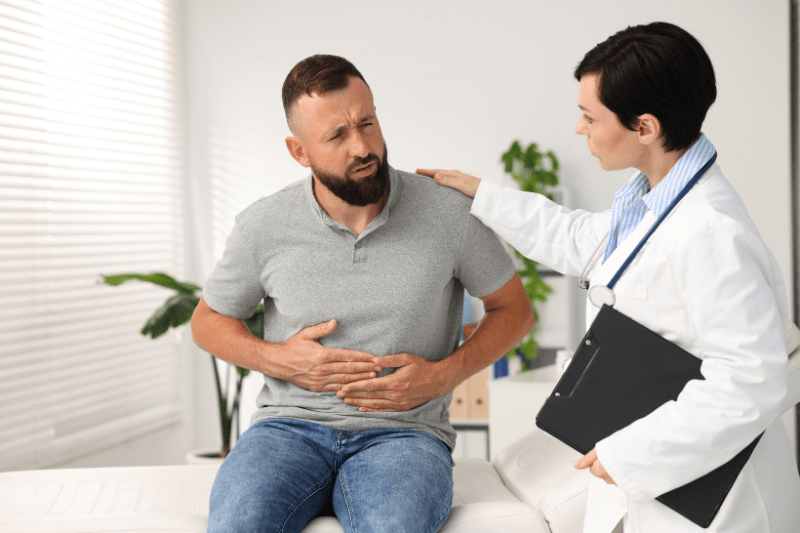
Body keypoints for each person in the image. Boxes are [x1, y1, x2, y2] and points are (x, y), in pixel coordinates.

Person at [420, 22, 800, 533]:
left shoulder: (710, 233)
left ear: (644, 127)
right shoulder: (654, 201)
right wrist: (484, 196)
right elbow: (583, 240)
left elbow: (753, 380)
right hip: (651, 478)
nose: (580, 129)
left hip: (716, 500)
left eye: (589, 116)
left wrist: (632, 454)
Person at [190, 54, 535, 533]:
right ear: (299, 151)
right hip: (286, 429)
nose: (362, 146)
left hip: (404, 434)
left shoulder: (449, 214)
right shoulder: (264, 225)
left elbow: (513, 311)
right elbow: (207, 321)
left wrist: (442, 376)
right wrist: (278, 360)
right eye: (337, 135)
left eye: (367, 123)